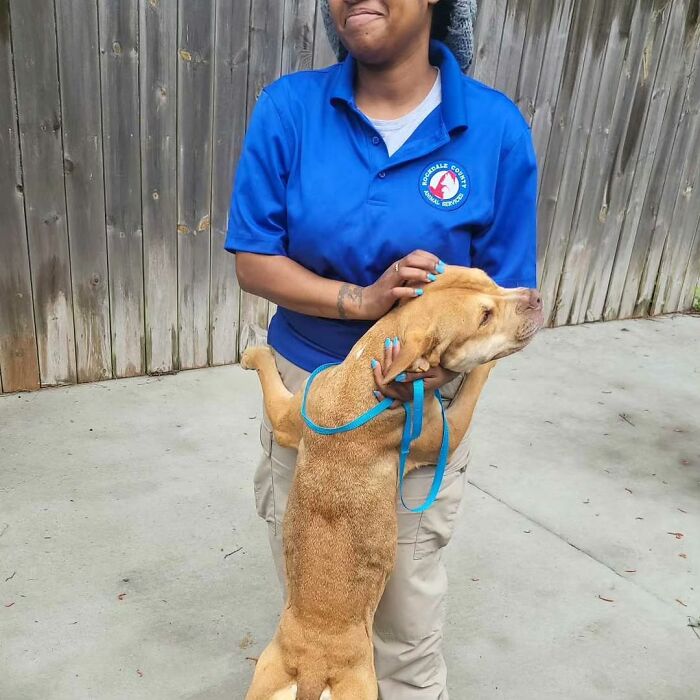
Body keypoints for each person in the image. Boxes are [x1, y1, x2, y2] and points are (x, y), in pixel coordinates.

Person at [225, 1, 537, 697]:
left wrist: (451, 425)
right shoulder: (290, 110)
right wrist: (361, 302)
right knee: (314, 619)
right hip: (314, 404)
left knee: (403, 636)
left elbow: (510, 304)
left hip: (418, 411)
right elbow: (253, 259)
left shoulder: (493, 131)